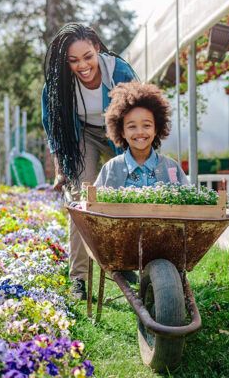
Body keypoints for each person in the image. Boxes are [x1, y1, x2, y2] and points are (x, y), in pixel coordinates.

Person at [41, 23, 137, 299]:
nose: (82, 65)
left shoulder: (119, 72)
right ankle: (79, 279)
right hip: (81, 134)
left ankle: (122, 262)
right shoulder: (58, 86)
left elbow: (140, 111)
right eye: (73, 60)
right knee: (81, 199)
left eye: (87, 57)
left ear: (97, 48)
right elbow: (53, 127)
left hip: (117, 131)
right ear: (64, 61)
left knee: (128, 190)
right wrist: (61, 167)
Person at [94, 82, 189, 189]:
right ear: (122, 132)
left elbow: (188, 202)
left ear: (156, 129)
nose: (140, 132)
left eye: (146, 125)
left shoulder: (171, 167)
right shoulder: (111, 168)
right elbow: (94, 203)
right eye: (132, 126)